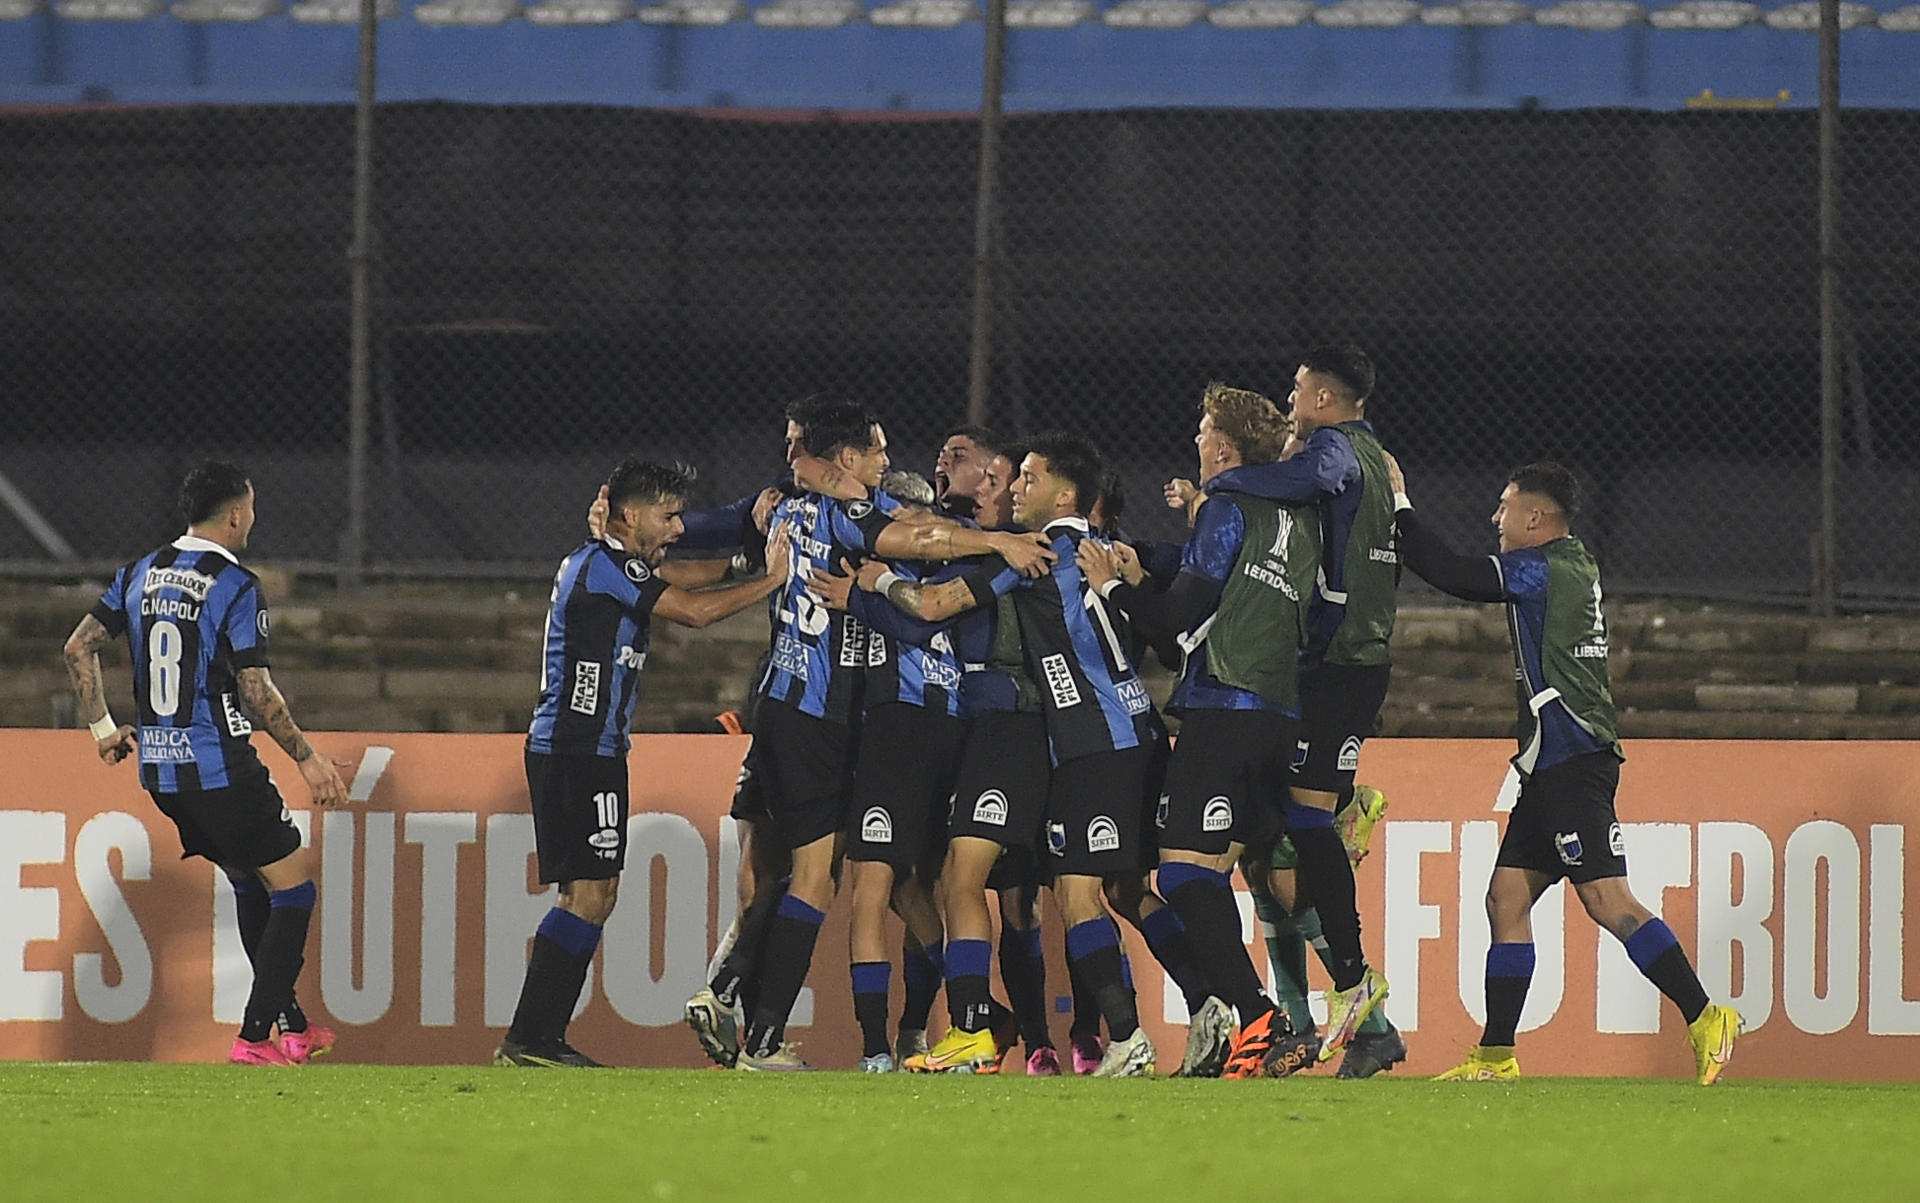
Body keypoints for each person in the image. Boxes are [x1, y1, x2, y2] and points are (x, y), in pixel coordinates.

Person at [1388, 456, 1742, 1085]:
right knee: (1507, 897)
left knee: (1608, 900)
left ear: (1534, 516)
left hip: (1572, 760)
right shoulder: (1572, 563)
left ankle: (1706, 1014)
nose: (1494, 518)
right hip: (1553, 760)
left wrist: (1399, 505)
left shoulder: (1543, 568)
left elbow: (1454, 575)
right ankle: (1497, 1056)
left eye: (1504, 507)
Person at [731, 403, 1053, 1071]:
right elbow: (918, 551)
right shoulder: (845, 517)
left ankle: (916, 1030)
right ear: (848, 460)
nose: (893, 463)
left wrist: (874, 586)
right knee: (854, 882)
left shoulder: (812, 514)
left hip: (919, 730)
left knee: (879, 884)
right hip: (867, 724)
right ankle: (882, 1037)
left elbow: (921, 574)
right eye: (877, 454)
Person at [859, 433, 1163, 1077]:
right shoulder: (1068, 549)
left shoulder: (1026, 555)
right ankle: (1082, 1033)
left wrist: (871, 583)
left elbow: (931, 609)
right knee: (1067, 892)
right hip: (1054, 734)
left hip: (1021, 731)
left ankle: (989, 1026)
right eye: (1006, 478)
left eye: (1016, 477)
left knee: (979, 882)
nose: (1010, 488)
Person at [497, 459, 794, 1068]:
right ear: (630, 515)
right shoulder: (600, 568)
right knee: (586, 894)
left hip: (592, 749)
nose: (678, 527)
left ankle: (536, 1039)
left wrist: (742, 561)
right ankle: (531, 1040)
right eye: (668, 515)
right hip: (575, 748)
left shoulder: (612, 564)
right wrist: (772, 579)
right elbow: (696, 610)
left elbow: (688, 574)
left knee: (596, 892)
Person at [63, 461, 350, 1067]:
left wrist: (102, 729)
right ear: (238, 514)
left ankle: (293, 1026)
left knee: (251, 879)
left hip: (162, 774)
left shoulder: (139, 573)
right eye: (252, 509)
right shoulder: (236, 584)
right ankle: (253, 1038)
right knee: (295, 890)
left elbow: (78, 646)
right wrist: (306, 757)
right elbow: (255, 689)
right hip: (219, 766)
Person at [1078, 383, 1323, 1079]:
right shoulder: (1294, 516)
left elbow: (1181, 614)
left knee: (1182, 872)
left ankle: (1258, 1017)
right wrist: (1152, 556)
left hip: (1226, 707)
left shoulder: (1225, 504)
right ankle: (1264, 1021)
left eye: (1202, 431)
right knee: (1213, 872)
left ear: (1222, 447)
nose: (1195, 441)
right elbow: (1235, 583)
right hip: (1281, 714)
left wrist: (1111, 584)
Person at [1182, 345, 1397, 1063]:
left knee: (1296, 831)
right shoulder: (1371, 463)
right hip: (1332, 669)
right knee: (1266, 862)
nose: (1292, 395)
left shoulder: (1335, 454)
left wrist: (1227, 486)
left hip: (1333, 666)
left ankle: (1352, 984)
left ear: (1325, 399)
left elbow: (1316, 473)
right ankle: (1343, 1024)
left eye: (1300, 387)